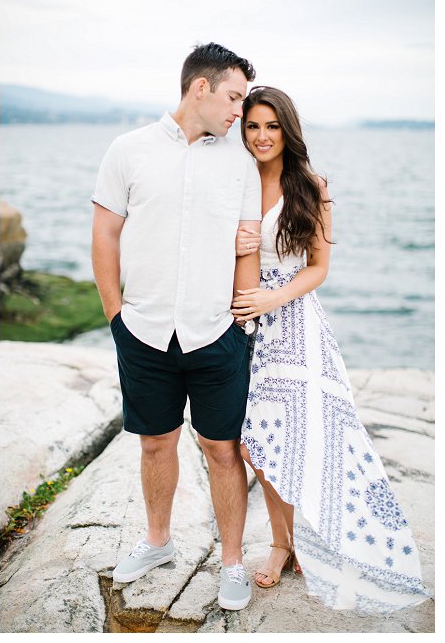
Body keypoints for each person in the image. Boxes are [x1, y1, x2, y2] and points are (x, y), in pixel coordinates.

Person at [232, 86, 429, 612]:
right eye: (252, 125)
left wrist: (271, 296)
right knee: (255, 443)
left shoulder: (310, 187)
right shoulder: (232, 182)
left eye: (271, 126)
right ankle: (284, 541)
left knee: (301, 439)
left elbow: (319, 268)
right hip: (243, 326)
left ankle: (295, 544)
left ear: (287, 130)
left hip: (295, 324)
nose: (261, 136)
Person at [91, 42, 261, 611]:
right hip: (142, 330)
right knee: (155, 442)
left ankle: (232, 562)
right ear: (200, 88)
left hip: (217, 332)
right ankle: (158, 542)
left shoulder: (240, 163)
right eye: (234, 97)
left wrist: (242, 323)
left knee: (222, 448)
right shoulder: (128, 150)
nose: (240, 110)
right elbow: (106, 234)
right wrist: (115, 316)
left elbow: (247, 246)